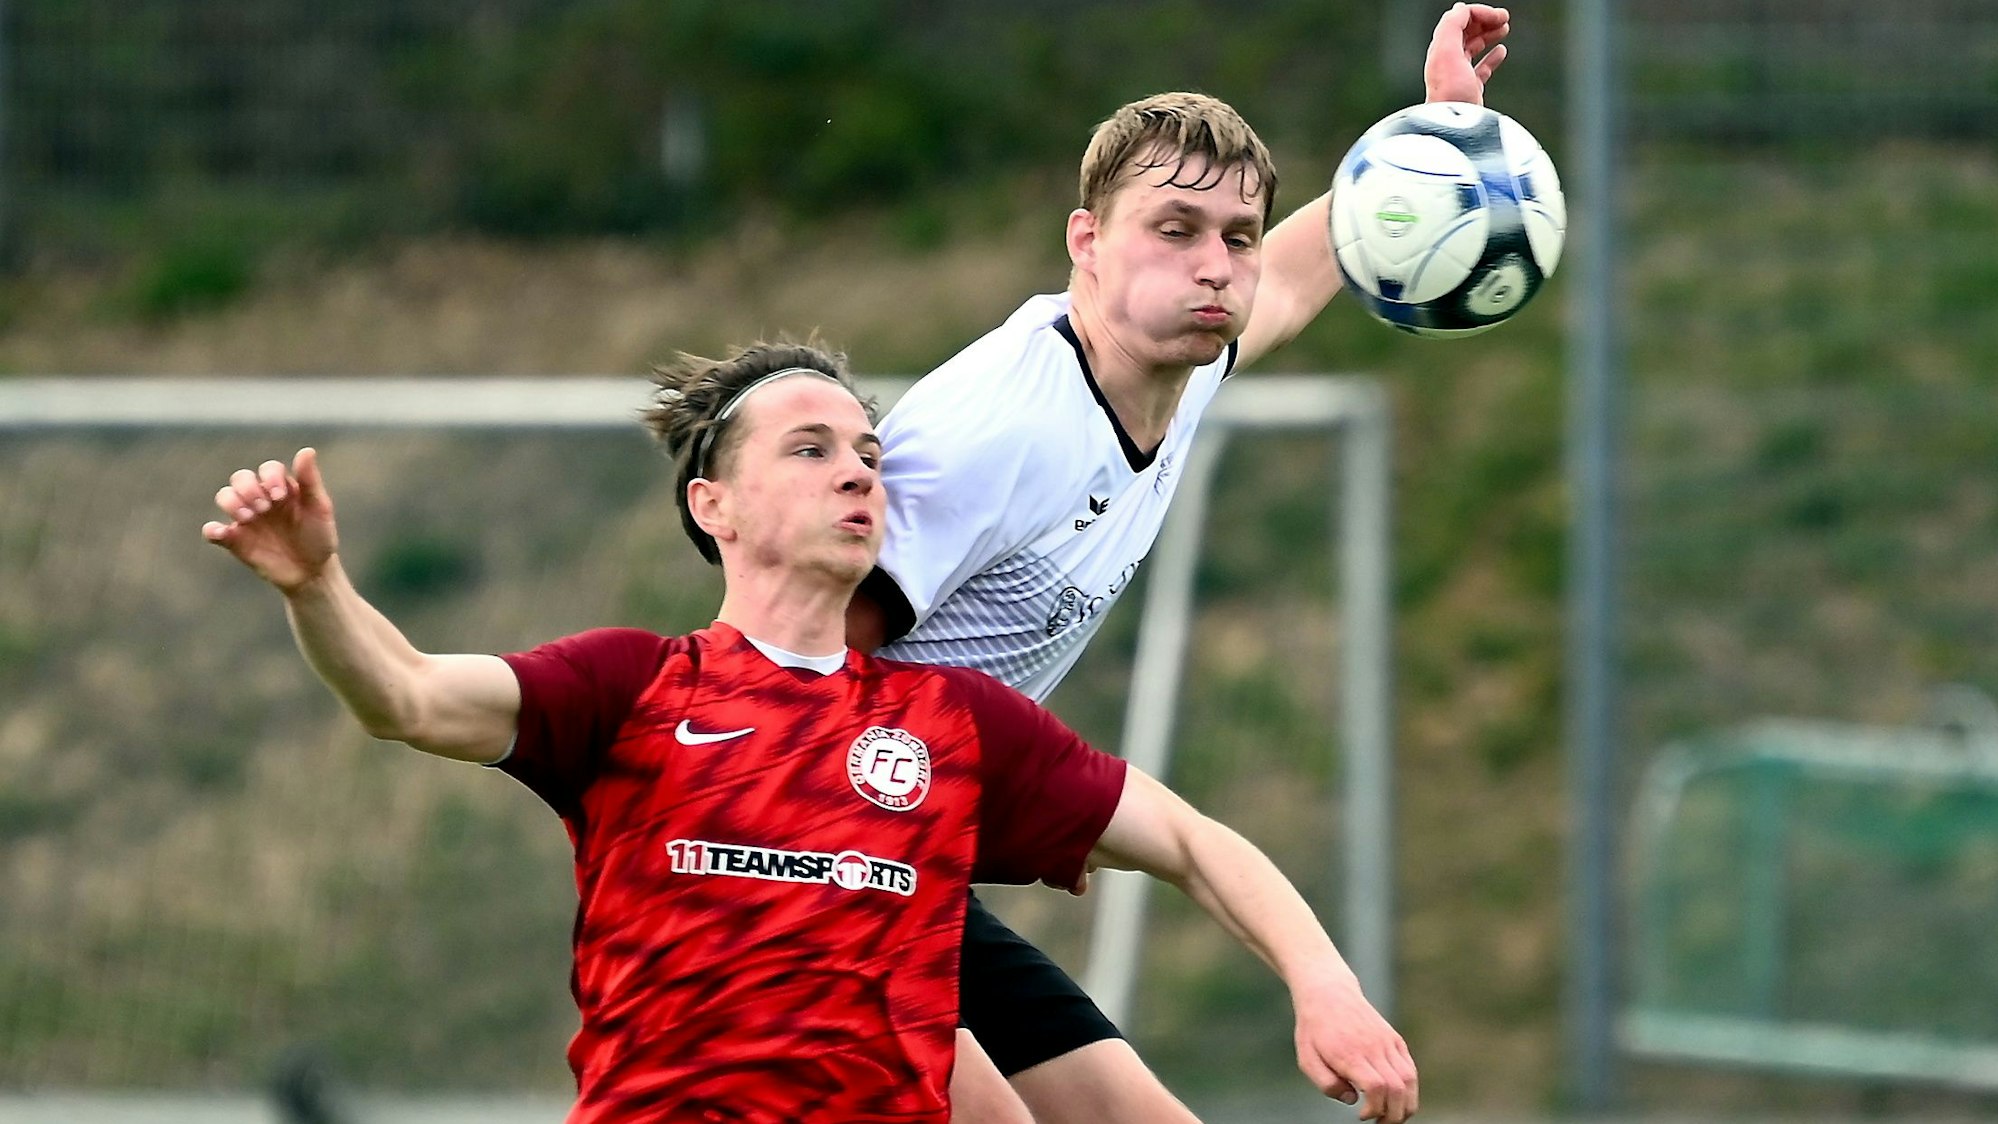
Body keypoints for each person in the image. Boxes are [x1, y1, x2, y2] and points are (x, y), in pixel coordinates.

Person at [201, 342, 1417, 1124]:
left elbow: (1195, 840)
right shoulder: (633, 688)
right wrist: (316, 585)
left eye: (870, 454)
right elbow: (405, 695)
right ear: (712, 505)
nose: (858, 474)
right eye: (813, 448)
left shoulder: (951, 725)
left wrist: (1328, 990)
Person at [843, 5, 1515, 1121]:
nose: (1217, 266)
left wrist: (1436, 132)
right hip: (814, 873)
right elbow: (793, 660)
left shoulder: (1182, 354)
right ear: (1086, 242)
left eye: (1235, 236)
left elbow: (1303, 274)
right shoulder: (994, 431)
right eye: (1175, 228)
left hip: (919, 869)